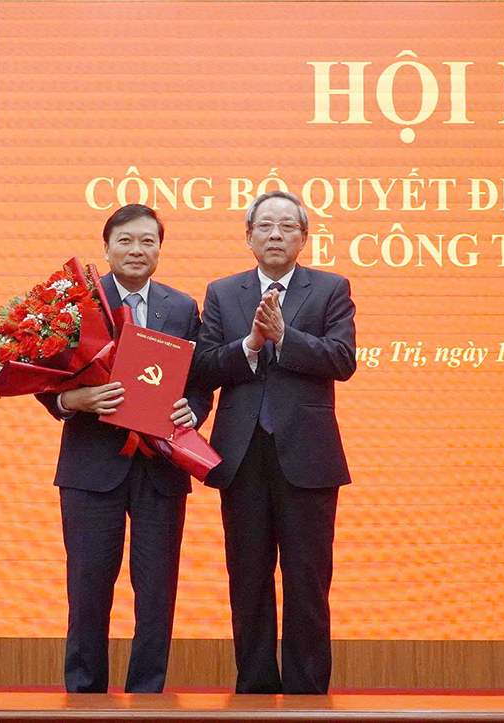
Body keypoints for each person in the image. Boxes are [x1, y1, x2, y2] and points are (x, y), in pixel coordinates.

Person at [37, 204, 212, 693]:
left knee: (157, 591)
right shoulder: (77, 304)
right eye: (126, 240)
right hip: (91, 469)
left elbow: (199, 381)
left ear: (160, 249)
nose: (137, 250)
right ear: (107, 247)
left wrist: (193, 412)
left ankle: (147, 696)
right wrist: (73, 400)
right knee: (88, 588)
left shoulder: (182, 307)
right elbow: (44, 377)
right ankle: (84, 695)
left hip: (161, 468)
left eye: (148, 241)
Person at [193, 190, 356, 694]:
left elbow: (342, 360)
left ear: (304, 238)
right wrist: (250, 345)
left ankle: (308, 697)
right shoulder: (223, 292)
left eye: (288, 226)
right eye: (265, 226)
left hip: (307, 457)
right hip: (242, 457)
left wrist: (285, 337)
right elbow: (202, 366)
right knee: (248, 581)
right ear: (249, 237)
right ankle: (256, 693)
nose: (276, 235)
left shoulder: (330, 289)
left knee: (308, 582)